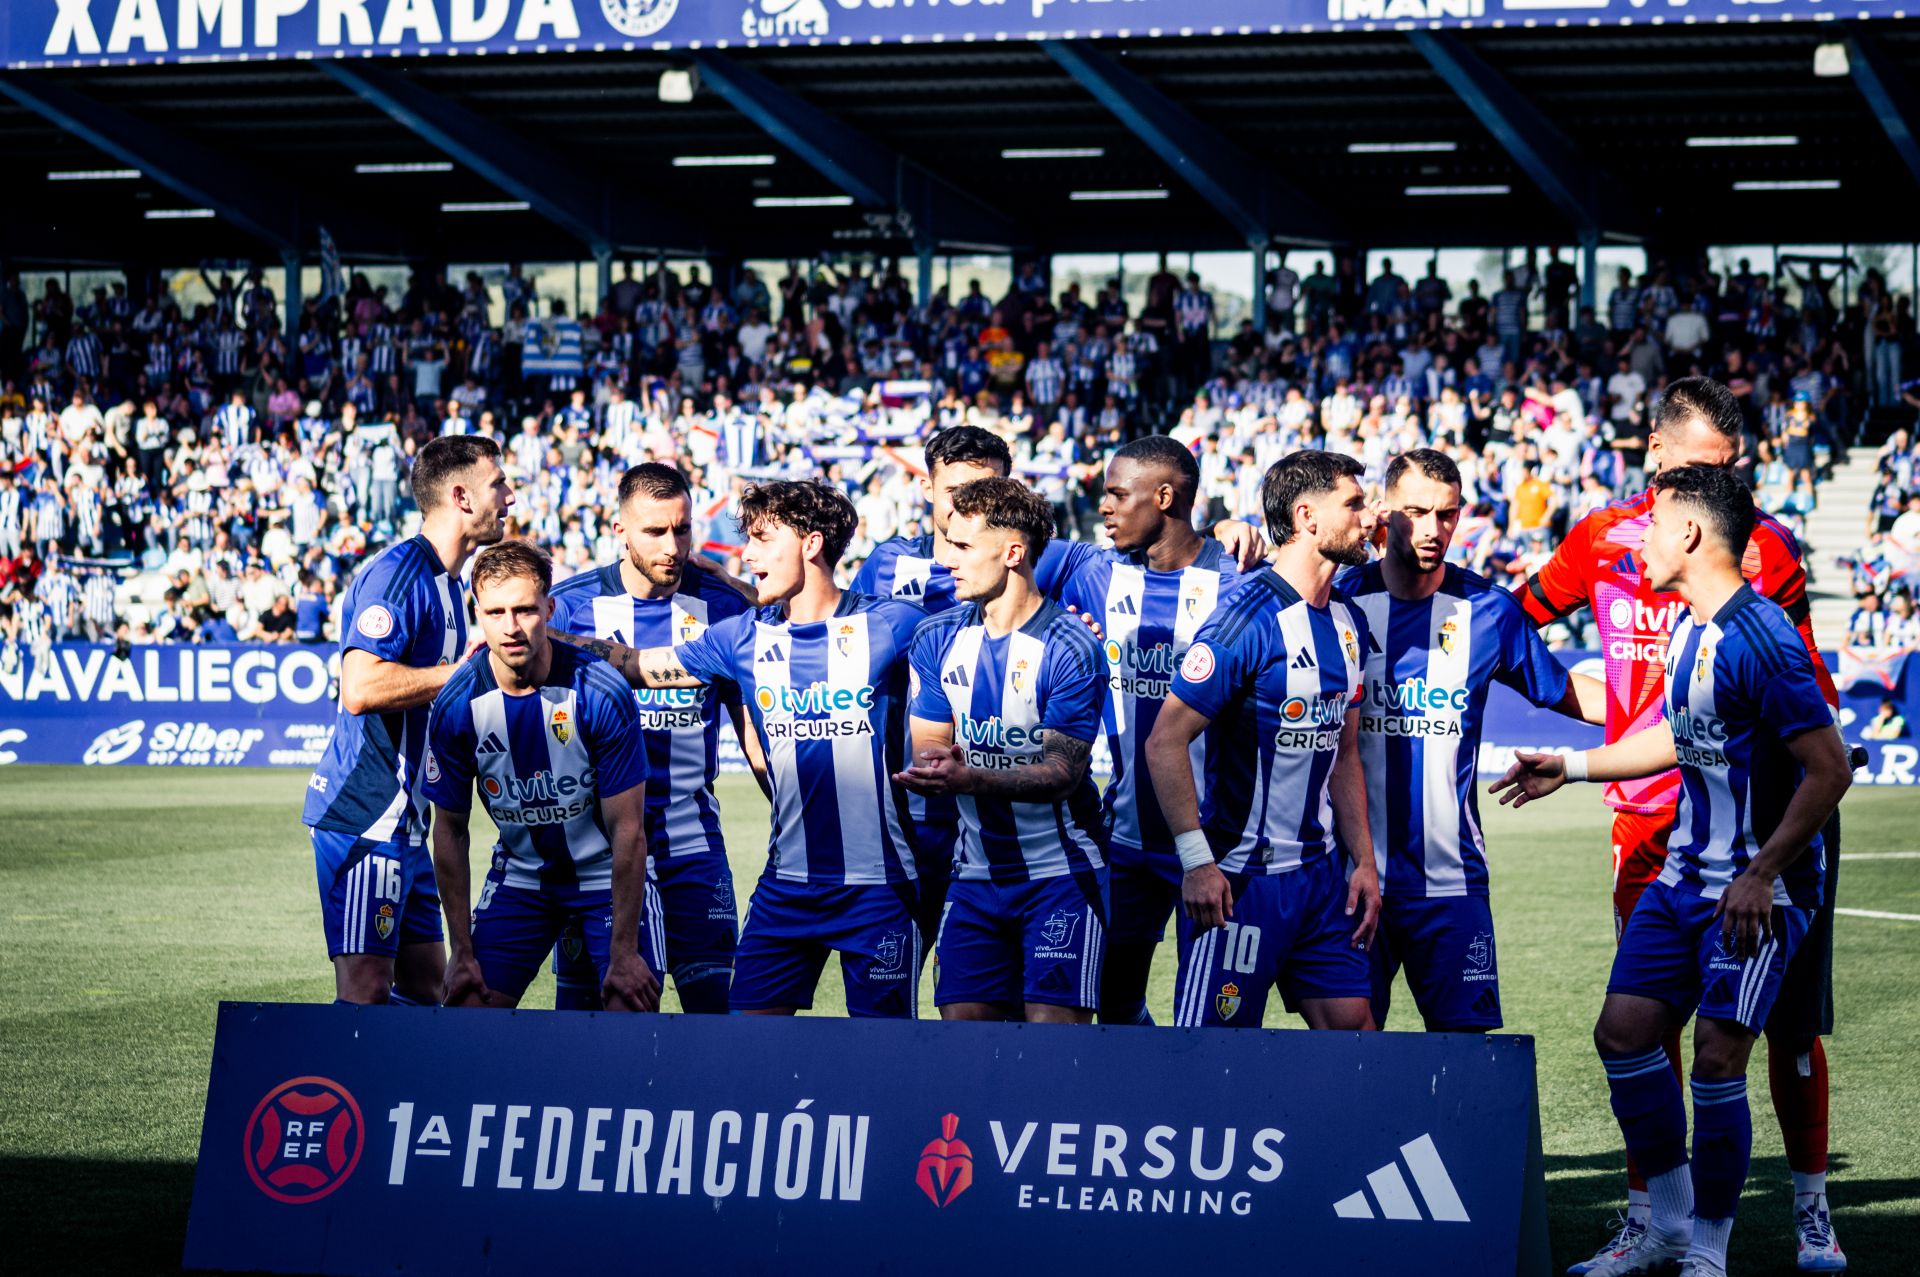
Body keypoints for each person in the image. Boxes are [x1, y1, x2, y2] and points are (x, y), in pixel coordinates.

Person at [1514, 377, 1848, 1274]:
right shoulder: (1685, 622)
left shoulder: (1761, 615)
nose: (1643, 544)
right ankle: (1660, 1219)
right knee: (1627, 1033)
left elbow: (1827, 758)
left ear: (1692, 531)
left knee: (1733, 1049)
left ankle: (1717, 1243)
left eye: (1727, 471)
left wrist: (1765, 870)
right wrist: (1571, 762)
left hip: (1756, 873)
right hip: (1670, 863)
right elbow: (1671, 729)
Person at [556, 480, 928, 1017]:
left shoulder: (893, 624)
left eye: (761, 539)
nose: (746, 554)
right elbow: (638, 665)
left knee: (885, 1049)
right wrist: (545, 638)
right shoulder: (741, 638)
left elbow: (970, 642)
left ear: (811, 544)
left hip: (879, 887)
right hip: (785, 889)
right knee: (742, 1043)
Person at [1338, 448, 1605, 1031]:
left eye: (1447, 514)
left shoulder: (1488, 611)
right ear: (1384, 511)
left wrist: (1673, 715)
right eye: (1416, 512)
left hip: (1452, 883)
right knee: (1349, 1053)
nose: (1433, 529)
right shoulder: (1337, 604)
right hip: (1352, 878)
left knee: (1466, 1055)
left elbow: (1564, 691)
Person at [1145, 451, 1382, 1031]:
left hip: (1322, 880)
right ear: (1307, 517)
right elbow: (1164, 741)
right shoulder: (1244, 619)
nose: (1370, 516)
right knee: (1212, 1058)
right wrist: (1197, 863)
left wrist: (1364, 861)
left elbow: (1344, 751)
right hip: (1238, 882)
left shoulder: (1349, 621)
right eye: (1354, 503)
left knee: (1358, 1041)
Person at [301, 436, 514, 1006]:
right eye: (499, 484)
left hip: (410, 823)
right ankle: (306, 1063)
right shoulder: (399, 575)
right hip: (367, 815)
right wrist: (461, 674)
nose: (510, 496)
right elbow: (360, 687)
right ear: (462, 497)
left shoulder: (450, 583)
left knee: (429, 994)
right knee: (366, 992)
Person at [543, 463, 756, 1014]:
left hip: (692, 844)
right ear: (620, 530)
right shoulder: (569, 607)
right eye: (655, 531)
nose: (672, 546)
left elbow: (753, 737)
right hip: (599, 851)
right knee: (598, 1020)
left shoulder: (724, 606)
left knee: (715, 1013)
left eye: (682, 530)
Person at [897, 478, 1108, 1023]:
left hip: (1060, 877)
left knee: (1052, 1050)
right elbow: (931, 747)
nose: (946, 560)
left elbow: (1062, 773)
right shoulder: (937, 638)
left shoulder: (1071, 646)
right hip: (972, 878)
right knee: (965, 1045)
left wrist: (969, 778)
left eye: (963, 547)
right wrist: (937, 764)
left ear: (1013, 553)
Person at [1048, 437, 1243, 1026]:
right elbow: (997, 549)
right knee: (1112, 1003)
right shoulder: (1092, 571)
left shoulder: (1238, 580)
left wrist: (1237, 527)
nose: (1104, 507)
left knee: (1211, 1021)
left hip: (1218, 846)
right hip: (1126, 839)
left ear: (1163, 497)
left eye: (1116, 494)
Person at [422, 542, 661, 1012]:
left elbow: (629, 830)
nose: (510, 626)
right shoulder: (456, 705)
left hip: (605, 877)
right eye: (496, 612)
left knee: (628, 1005)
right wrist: (461, 952)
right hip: (522, 877)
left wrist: (623, 952)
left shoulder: (600, 691)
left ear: (549, 610)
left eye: (525, 610)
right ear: (478, 614)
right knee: (468, 1008)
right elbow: (449, 831)